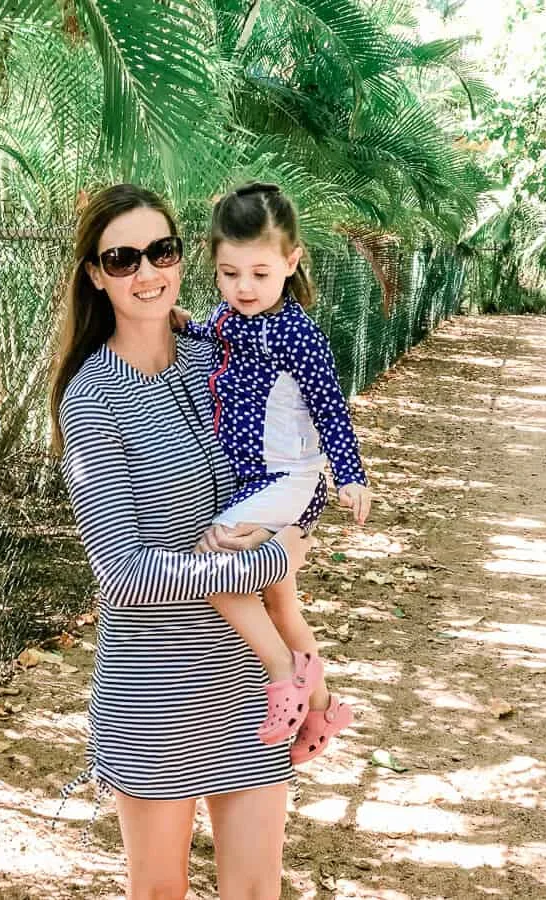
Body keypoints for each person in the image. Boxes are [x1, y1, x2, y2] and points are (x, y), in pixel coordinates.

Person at [49, 183, 316, 899]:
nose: (147, 272)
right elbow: (124, 574)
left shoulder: (221, 357)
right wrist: (267, 559)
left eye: (160, 250)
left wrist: (301, 660)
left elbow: (283, 476)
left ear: (180, 254)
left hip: (247, 686)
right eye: (122, 257)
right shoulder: (93, 396)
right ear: (95, 274)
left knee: (256, 891)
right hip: (154, 698)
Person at [171, 181, 371, 763]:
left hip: (289, 480)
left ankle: (284, 672)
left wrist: (350, 475)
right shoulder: (228, 315)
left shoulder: (298, 334)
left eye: (259, 273)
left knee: (212, 562)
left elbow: (330, 406)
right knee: (281, 601)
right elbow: (217, 331)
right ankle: (324, 712)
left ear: (291, 261)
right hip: (251, 481)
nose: (244, 288)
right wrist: (187, 324)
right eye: (229, 274)